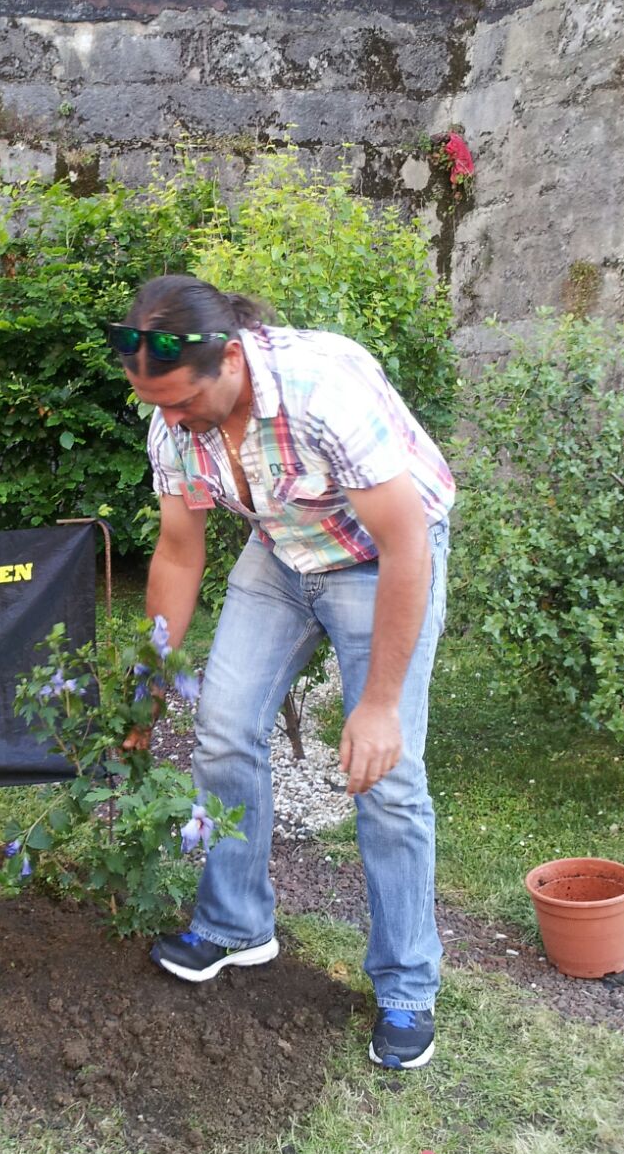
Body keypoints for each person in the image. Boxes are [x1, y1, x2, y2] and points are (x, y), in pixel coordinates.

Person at [110, 275, 455, 1071]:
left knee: (387, 776)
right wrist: (146, 688)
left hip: (382, 562)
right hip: (284, 549)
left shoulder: (322, 391)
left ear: (229, 358)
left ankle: (407, 985)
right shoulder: (175, 427)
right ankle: (236, 925)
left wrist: (375, 707)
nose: (167, 422)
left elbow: (407, 547)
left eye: (177, 403)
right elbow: (177, 551)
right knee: (224, 729)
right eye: (154, 405)